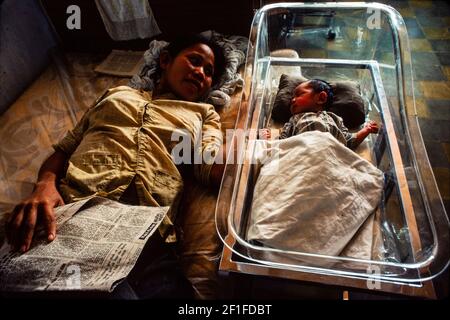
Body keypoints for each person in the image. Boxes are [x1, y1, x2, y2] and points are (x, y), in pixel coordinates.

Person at [5, 33, 226, 298]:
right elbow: (64, 149)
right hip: (77, 212)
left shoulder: (203, 114)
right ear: (166, 60)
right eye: (194, 60)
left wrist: (256, 148)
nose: (201, 72)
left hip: (150, 234)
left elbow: (210, 165)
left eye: (209, 71)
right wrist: (43, 186)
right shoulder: (117, 94)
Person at [260, 79, 379, 148]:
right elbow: (282, 143)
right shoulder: (294, 120)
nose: (292, 100)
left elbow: (348, 142)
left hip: (330, 156)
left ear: (321, 98)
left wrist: (366, 130)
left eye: (299, 94)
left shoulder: (334, 119)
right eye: (292, 97)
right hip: (301, 157)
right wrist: (264, 136)